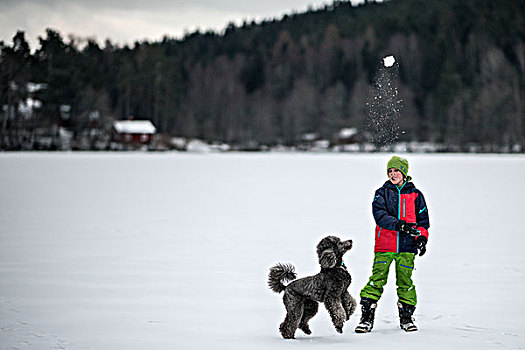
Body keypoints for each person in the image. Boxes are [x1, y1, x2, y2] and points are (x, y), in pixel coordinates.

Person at [355, 156, 429, 333]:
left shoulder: (416, 195)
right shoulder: (382, 193)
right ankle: (366, 319)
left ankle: (406, 318)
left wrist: (422, 238)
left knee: (405, 282)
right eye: (390, 171)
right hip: (385, 246)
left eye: (396, 170)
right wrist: (399, 224)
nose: (393, 174)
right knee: (377, 280)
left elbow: (423, 220)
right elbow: (379, 215)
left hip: (407, 247)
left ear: (404, 173)